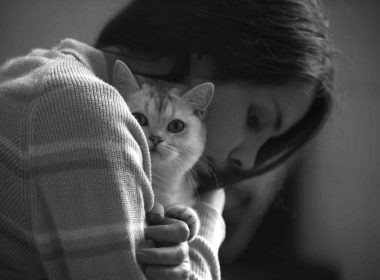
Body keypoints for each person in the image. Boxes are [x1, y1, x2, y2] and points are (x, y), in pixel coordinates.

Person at [0, 0, 334, 279]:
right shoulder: (87, 112)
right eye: (255, 119)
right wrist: (208, 222)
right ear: (212, 53)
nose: (247, 161)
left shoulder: (43, 67)